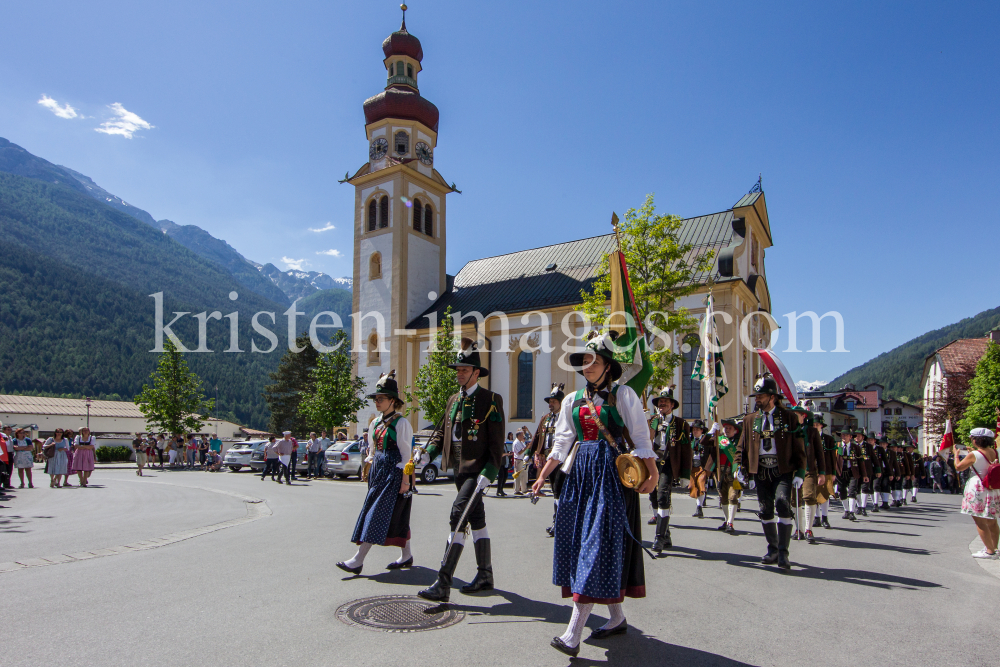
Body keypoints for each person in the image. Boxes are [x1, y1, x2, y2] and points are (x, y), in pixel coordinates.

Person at [531, 330, 658, 657]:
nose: (587, 366)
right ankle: (616, 618)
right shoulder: (572, 401)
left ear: (607, 367)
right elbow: (561, 445)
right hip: (580, 477)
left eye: (593, 361)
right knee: (582, 543)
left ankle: (573, 634)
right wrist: (543, 475)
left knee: (596, 545)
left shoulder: (624, 395)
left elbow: (642, 439)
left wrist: (653, 471)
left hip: (611, 478)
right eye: (584, 361)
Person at [418, 338, 505, 603]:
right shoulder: (453, 399)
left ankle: (443, 582)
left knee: (458, 516)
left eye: (464, 370)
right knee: (476, 521)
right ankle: (485, 575)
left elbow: (496, 444)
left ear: (476, 373)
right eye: (458, 370)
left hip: (477, 472)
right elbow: (442, 434)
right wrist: (425, 453)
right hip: (458, 470)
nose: (459, 374)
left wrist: (487, 475)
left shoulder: (490, 400)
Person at [337, 371, 415, 574]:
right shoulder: (375, 423)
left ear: (392, 401)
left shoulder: (402, 424)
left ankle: (358, 560)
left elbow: (407, 456)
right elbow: (372, 450)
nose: (377, 402)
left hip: (394, 474)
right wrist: (368, 466)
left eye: (381, 399)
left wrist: (405, 482)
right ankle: (406, 556)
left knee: (375, 514)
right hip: (379, 472)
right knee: (396, 517)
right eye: (376, 399)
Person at [735, 375, 806, 570]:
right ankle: (773, 549)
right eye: (756, 396)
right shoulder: (750, 420)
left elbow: (800, 447)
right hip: (760, 471)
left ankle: (784, 553)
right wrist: (739, 469)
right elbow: (741, 448)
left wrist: (800, 472)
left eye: (761, 395)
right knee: (764, 509)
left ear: (772, 397)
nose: (757, 399)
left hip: (781, 470)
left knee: (783, 504)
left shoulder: (789, 418)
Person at [646, 386, 691, 553]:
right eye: (660, 402)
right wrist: (645, 425)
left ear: (672, 405)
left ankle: (658, 538)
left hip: (667, 465)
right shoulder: (652, 421)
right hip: (653, 464)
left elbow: (686, 451)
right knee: (654, 499)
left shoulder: (680, 424)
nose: (662, 404)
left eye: (665, 402)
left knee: (663, 496)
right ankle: (666, 534)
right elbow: (645, 441)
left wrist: (686, 474)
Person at [527, 384, 567, 537]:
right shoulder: (546, 418)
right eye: (550, 402)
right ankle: (558, 523)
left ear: (560, 402)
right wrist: (529, 453)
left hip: (562, 460)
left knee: (559, 490)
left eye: (553, 402)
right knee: (556, 491)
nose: (550, 404)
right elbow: (537, 436)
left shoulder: (566, 416)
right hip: (549, 460)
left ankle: (559, 523)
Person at [955, 428, 1000, 558]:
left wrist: (956, 455)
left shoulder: (974, 454)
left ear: (976, 440)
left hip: (979, 488)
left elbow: (958, 467)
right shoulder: (996, 452)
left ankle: (989, 550)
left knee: (980, 521)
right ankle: (995, 548)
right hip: (993, 488)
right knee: (992, 520)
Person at [713, 417, 743, 533]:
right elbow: (704, 443)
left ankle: (731, 522)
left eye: (729, 428)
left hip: (734, 472)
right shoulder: (719, 438)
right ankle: (726, 521)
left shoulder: (739, 442)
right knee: (723, 498)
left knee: (733, 497)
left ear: (735, 430)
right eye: (725, 428)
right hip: (719, 473)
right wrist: (711, 432)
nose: (727, 430)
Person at [812, 414, 838, 530]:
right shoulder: (809, 437)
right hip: (813, 470)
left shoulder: (829, 439)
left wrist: (833, 473)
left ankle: (825, 517)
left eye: (817, 425)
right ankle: (816, 518)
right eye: (813, 425)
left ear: (821, 426)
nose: (815, 426)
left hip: (826, 470)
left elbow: (833, 457)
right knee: (814, 495)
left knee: (825, 495)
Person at [835, 428, 861, 520]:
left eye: (846, 435)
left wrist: (864, 475)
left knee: (852, 491)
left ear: (850, 437)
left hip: (852, 472)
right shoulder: (837, 446)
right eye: (842, 435)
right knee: (842, 491)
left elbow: (861, 461)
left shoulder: (855, 447)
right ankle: (846, 510)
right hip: (840, 472)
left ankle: (852, 512)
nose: (844, 437)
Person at [512, 429, 529, 495]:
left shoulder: (520, 442)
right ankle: (516, 490)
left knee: (523, 475)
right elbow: (519, 452)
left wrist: (527, 446)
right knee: (517, 476)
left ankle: (523, 489)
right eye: (522, 435)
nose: (523, 436)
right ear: (519, 435)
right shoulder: (516, 443)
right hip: (518, 460)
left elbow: (524, 449)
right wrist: (525, 448)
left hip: (521, 460)